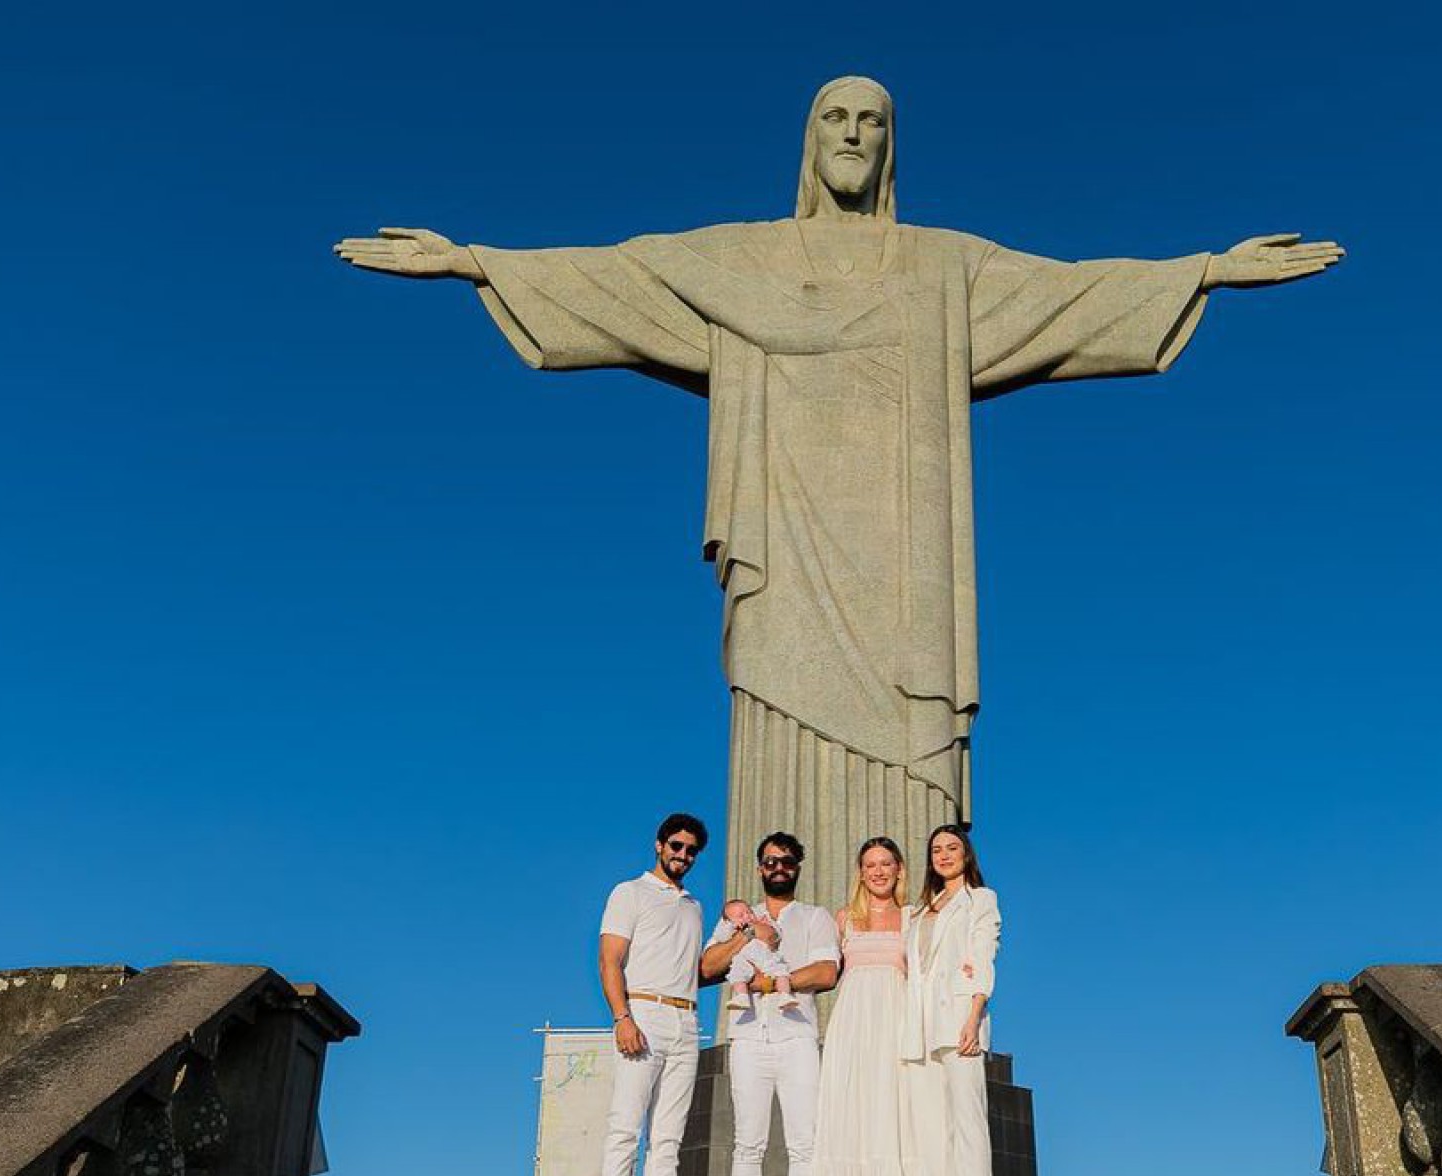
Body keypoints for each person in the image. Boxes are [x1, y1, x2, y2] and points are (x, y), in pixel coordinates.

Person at [335, 78, 1344, 910]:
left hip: (907, 575)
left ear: (892, 146)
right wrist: (474, 261)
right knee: (775, 721)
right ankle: (782, 949)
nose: (854, 135)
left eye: (873, 122)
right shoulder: (743, 259)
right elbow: (622, 279)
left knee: (918, 758)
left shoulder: (945, 268)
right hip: (787, 552)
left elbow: (1071, 293)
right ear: (808, 140)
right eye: (835, 119)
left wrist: (1204, 272)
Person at [699, 833, 841, 1176]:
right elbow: (708, 966)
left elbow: (825, 973)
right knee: (747, 1144)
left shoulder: (815, 917)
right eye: (770, 861)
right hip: (747, 1038)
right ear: (759, 867)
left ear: (798, 867)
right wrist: (746, 935)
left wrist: (764, 982)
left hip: (796, 1036)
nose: (778, 867)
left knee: (804, 1145)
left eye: (787, 861)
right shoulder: (737, 916)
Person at [596, 813, 709, 1176]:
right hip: (643, 1012)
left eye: (691, 850)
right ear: (659, 845)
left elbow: (694, 968)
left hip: (687, 1022)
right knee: (625, 1128)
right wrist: (622, 1017)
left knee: (667, 1137)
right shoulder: (630, 892)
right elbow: (609, 960)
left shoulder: (693, 907)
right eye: (676, 846)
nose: (683, 855)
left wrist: (740, 943)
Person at [811, 836, 918, 1176]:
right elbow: (823, 971)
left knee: (895, 1121)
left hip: (896, 1022)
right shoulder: (844, 919)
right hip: (853, 1027)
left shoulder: (913, 917)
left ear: (899, 869)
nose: (878, 871)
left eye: (886, 864)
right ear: (860, 872)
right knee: (852, 1118)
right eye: (870, 864)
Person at [903, 824, 1001, 1176]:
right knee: (929, 1139)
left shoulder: (980, 899)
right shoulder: (919, 911)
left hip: (960, 1022)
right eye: (936, 850)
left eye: (952, 848)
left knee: (968, 1134)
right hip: (919, 1032)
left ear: (967, 854)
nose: (944, 855)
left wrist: (974, 1015)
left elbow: (983, 956)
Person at [714, 899, 799, 1014]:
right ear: (729, 921)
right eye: (740, 915)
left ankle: (785, 995)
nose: (747, 916)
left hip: (764, 953)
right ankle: (742, 996)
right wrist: (731, 927)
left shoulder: (762, 920)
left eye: (749, 912)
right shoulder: (730, 930)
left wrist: (766, 924)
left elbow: (777, 934)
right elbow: (720, 937)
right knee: (737, 973)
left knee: (780, 970)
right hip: (744, 958)